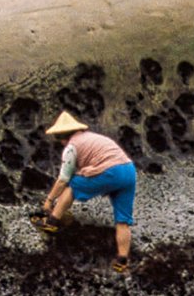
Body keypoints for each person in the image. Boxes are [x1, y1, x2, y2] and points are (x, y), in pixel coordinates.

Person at [34, 111, 137, 273]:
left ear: (62, 135)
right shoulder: (93, 137)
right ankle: (122, 260)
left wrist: (49, 200)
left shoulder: (71, 147)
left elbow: (63, 179)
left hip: (110, 172)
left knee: (73, 185)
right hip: (129, 171)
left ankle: (52, 222)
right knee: (122, 220)